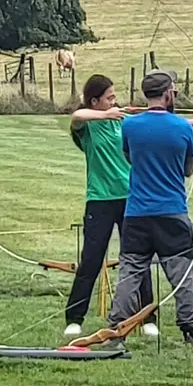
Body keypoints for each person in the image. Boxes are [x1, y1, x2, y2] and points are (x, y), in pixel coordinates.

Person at [106, 69, 193, 348]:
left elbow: (130, 157)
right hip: (172, 213)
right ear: (167, 94)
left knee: (129, 275)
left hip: (137, 214)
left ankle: (115, 332)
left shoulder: (130, 126)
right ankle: (192, 332)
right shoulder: (183, 128)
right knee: (183, 277)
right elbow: (187, 169)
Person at [64, 74, 157, 338]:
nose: (114, 102)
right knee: (91, 260)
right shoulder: (88, 128)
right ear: (95, 101)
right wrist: (106, 115)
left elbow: (155, 125)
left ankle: (147, 317)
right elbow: (76, 117)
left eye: (115, 97)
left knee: (138, 258)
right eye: (109, 98)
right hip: (100, 200)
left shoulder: (123, 123)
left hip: (131, 199)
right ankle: (74, 319)